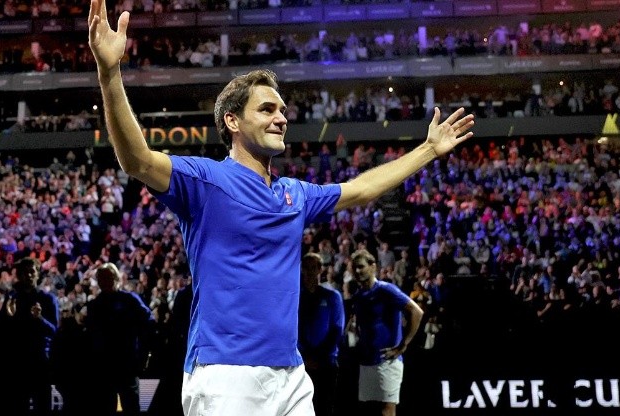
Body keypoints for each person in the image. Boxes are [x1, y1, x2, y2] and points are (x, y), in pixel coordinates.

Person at [87, 1, 474, 414]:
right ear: (233, 122)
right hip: (225, 374)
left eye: (283, 111)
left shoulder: (295, 194)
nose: (281, 118)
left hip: (291, 376)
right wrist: (110, 72)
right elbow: (138, 160)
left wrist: (429, 150)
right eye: (267, 109)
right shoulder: (205, 181)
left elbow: (362, 188)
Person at [349, 249, 424, 416]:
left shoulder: (386, 289)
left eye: (361, 266)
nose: (357, 271)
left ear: (373, 266)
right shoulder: (358, 296)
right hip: (367, 360)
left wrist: (403, 344)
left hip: (387, 361)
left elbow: (416, 312)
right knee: (369, 410)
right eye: (354, 267)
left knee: (387, 411)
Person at [0, 257, 59, 416]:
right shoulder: (12, 298)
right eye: (24, 272)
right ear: (20, 275)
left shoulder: (48, 299)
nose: (28, 275)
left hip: (40, 361)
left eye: (32, 272)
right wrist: (8, 316)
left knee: (43, 406)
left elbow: (54, 331)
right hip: (17, 363)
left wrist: (40, 318)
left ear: (37, 274)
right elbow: (0, 329)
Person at [84, 262, 154, 416]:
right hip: (103, 365)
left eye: (108, 278)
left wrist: (143, 353)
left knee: (131, 406)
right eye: (101, 279)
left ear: (116, 278)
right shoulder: (94, 306)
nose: (104, 282)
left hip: (127, 363)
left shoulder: (130, 300)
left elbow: (148, 323)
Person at [298, 253, 345, 416]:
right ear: (301, 269)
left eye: (313, 267)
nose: (310, 272)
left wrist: (319, 357)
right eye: (306, 267)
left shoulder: (332, 296)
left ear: (320, 269)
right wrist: (305, 357)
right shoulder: (296, 297)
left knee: (325, 407)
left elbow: (337, 329)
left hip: (327, 363)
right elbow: (294, 330)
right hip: (302, 364)